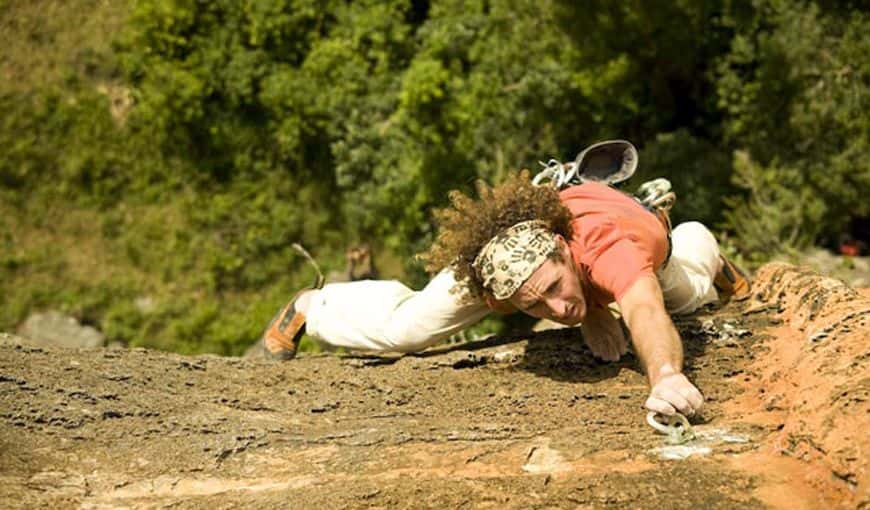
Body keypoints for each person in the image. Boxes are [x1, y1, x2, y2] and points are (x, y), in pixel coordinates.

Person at [261, 169, 750, 418]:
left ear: (562, 250)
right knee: (405, 330)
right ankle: (312, 306)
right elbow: (533, 286)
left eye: (556, 289)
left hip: (638, 234)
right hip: (521, 251)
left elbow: (642, 307)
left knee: (687, 297)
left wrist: (665, 376)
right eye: (534, 305)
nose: (555, 310)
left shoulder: (610, 247)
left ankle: (699, 243)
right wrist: (588, 311)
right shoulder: (496, 276)